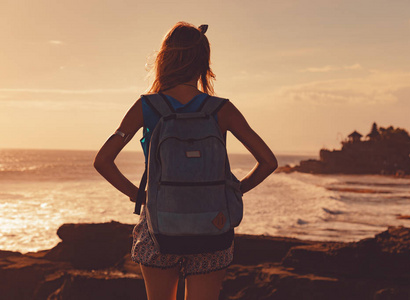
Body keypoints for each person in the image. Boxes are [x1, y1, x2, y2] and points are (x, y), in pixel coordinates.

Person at [94, 21, 277, 300]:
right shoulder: (221, 109)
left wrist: (140, 196)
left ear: (165, 59)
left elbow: (103, 160)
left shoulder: (147, 106)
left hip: (157, 228)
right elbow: (267, 161)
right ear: (204, 62)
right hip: (212, 226)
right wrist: (233, 191)